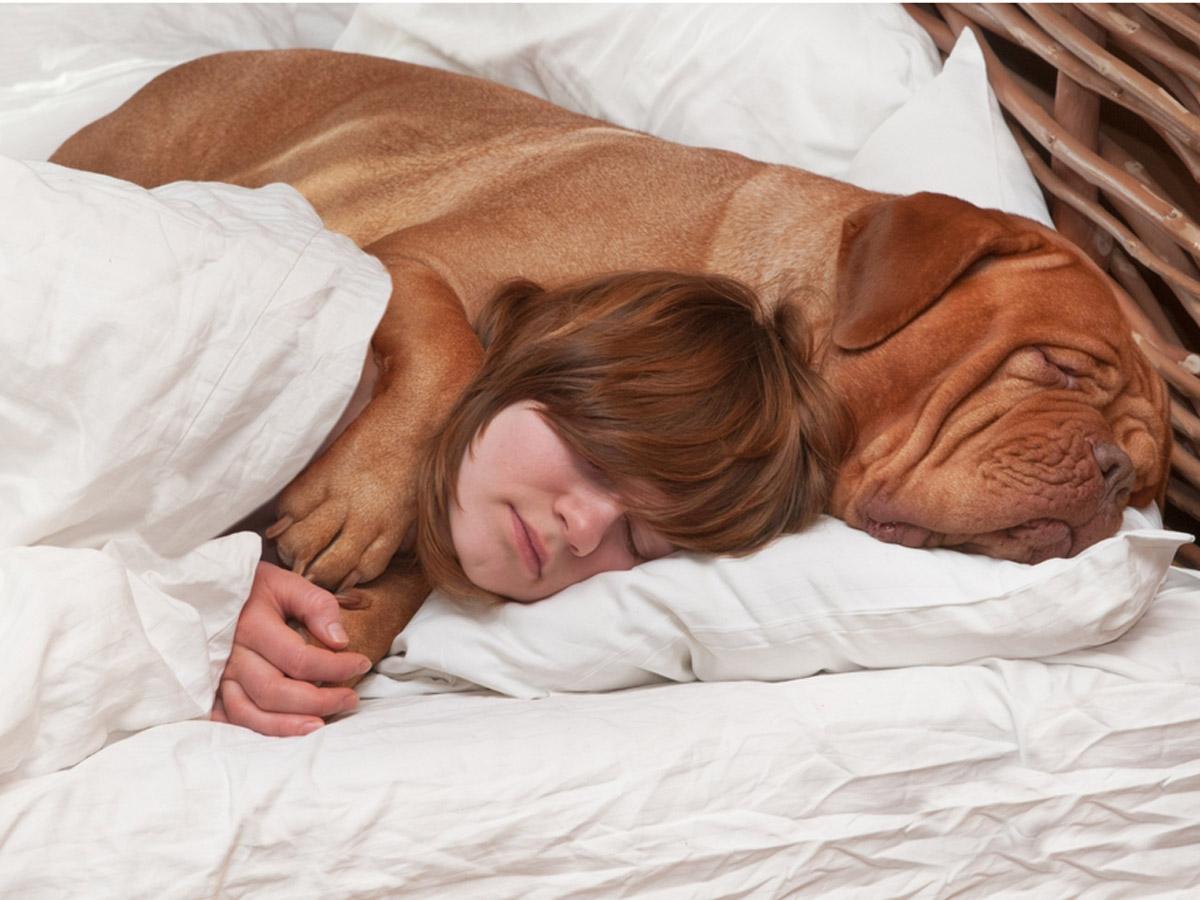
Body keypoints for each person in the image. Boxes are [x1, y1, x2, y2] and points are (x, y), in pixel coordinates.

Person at [212, 270, 854, 735]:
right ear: (546, 357)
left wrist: (219, 595)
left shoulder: (464, 522)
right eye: (597, 459)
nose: (585, 529)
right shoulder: (321, 356)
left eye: (637, 542)